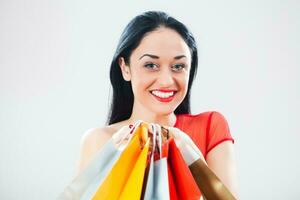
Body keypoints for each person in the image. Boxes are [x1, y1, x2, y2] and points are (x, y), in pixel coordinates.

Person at [75, 10, 239, 198]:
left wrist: (193, 158)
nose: (166, 81)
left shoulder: (210, 127)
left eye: (178, 66)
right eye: (151, 65)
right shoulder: (100, 141)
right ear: (125, 68)